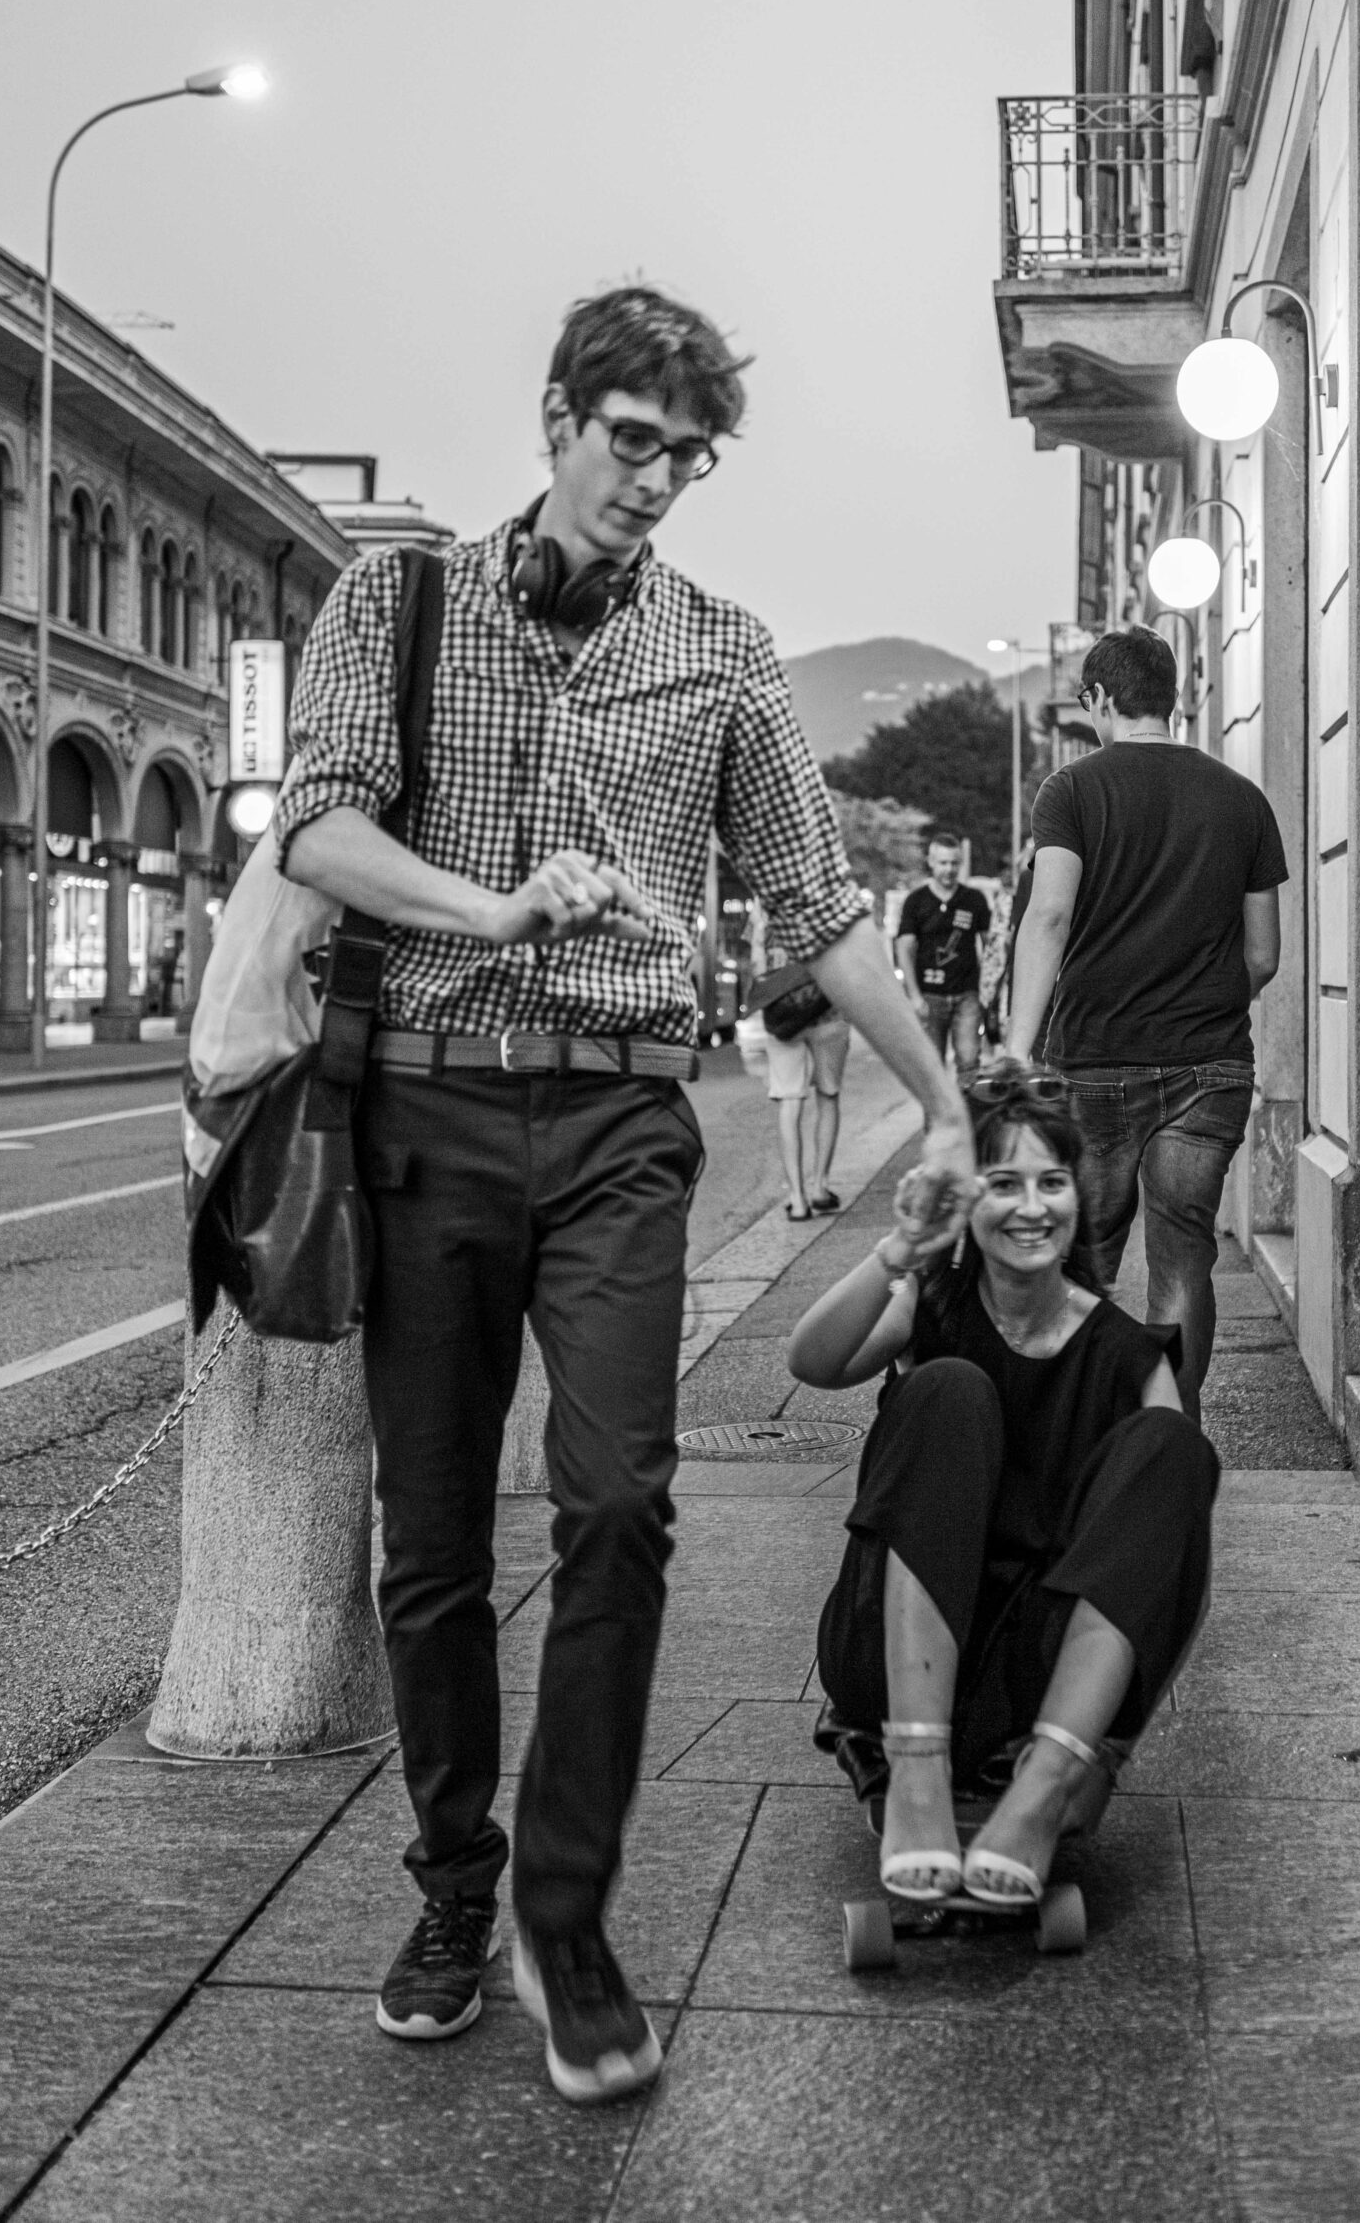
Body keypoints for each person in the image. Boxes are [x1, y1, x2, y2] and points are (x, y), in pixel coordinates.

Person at [277, 285, 977, 2106]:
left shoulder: (724, 649)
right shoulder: (397, 602)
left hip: (618, 1127)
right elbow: (318, 829)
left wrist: (948, 1096)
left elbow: (820, 902)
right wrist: (491, 906)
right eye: (630, 438)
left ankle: (565, 1913)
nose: (656, 478)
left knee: (620, 1504)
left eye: (689, 452)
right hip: (423, 1113)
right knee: (428, 1539)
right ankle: (454, 1885)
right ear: (558, 418)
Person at [788, 1063, 1218, 1909]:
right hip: (890, 1645)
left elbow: (1172, 1562)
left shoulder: (1127, 1354)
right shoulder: (930, 1304)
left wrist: (1107, 1751)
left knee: (1175, 1449)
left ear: (1077, 1198)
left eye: (1051, 1182)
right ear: (966, 1201)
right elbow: (812, 1361)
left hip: (1035, 1677)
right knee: (948, 1390)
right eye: (1003, 1182)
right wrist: (898, 1254)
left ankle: (1042, 1783)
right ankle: (914, 1768)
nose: (1031, 1207)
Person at [1002, 626, 1286, 1423]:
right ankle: (1170, 1432)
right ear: (1176, 697)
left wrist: (1017, 1051)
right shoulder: (1242, 799)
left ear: (1098, 698)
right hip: (1210, 1070)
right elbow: (1263, 955)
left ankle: (1075, 1431)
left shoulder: (1071, 790)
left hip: (1094, 1065)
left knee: (1079, 1260)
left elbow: (1048, 915)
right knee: (1183, 1260)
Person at [753, 943, 849, 1219]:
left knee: (788, 1100)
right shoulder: (831, 901)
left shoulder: (766, 904)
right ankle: (819, 1187)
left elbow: (758, 963)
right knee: (829, 1096)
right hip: (828, 1011)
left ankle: (797, 1200)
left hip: (784, 1015)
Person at [895, 831, 991, 1074]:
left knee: (969, 1064)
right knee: (931, 1069)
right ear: (931, 862)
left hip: (967, 995)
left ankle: (969, 1112)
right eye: (943, 863)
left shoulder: (974, 899)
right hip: (929, 996)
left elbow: (989, 945)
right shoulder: (916, 901)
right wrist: (914, 996)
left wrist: (988, 992)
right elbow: (904, 948)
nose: (949, 869)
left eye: (954, 863)